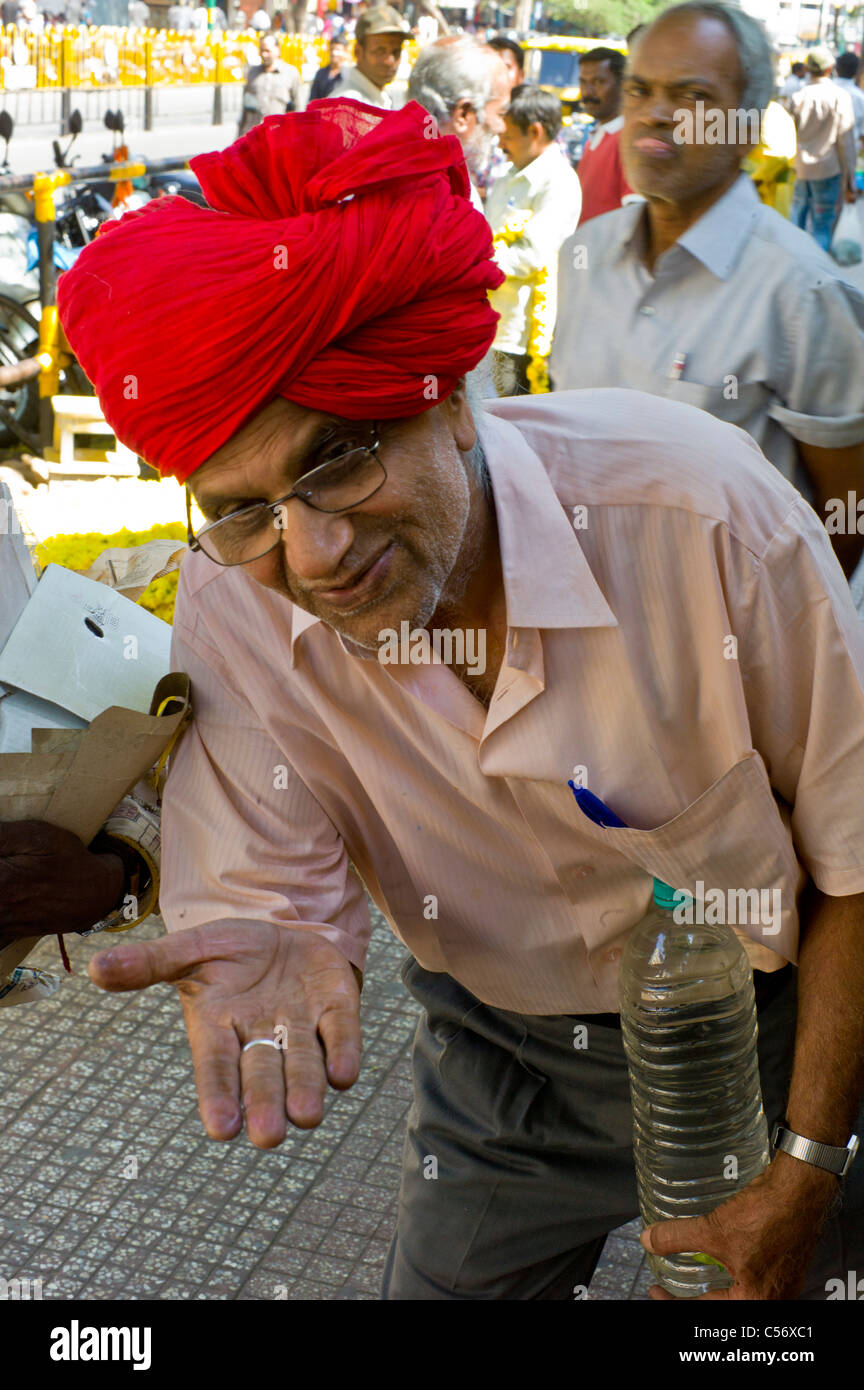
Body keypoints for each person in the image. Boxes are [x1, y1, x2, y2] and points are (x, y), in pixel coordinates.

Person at [57, 98, 864, 1305]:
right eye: (241, 505)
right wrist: (281, 929)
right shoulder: (237, 598)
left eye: (338, 457)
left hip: (755, 1035)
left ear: (452, 396)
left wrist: (808, 1165)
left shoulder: (701, 519)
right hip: (504, 1063)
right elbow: (264, 876)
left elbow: (856, 866)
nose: (314, 551)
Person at [552, 3, 864, 579]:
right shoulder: (582, 257)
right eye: (640, 91)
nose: (657, 115)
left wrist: (768, 647)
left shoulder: (806, 292)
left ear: (748, 128)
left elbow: (845, 515)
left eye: (693, 97)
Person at [486, 85, 581, 396]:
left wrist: (474, 263)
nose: (500, 143)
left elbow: (532, 256)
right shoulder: (509, 177)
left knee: (506, 423)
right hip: (489, 325)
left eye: (508, 135)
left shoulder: (559, 182)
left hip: (518, 334)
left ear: (535, 132)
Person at [407, 37, 510, 206]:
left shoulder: (373, 165)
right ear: (463, 114)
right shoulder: (452, 202)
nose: (502, 127)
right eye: (501, 113)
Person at [788, 46, 856, 251]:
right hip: (828, 171)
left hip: (800, 169)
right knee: (822, 227)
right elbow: (846, 142)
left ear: (807, 68)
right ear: (830, 68)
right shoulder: (840, 97)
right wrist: (849, 180)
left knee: (796, 222)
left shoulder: (797, 97)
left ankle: (793, 268)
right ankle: (816, 276)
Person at [574, 45, 636, 223]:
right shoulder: (595, 137)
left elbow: (633, 217)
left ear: (623, 86)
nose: (588, 91)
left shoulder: (628, 141)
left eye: (599, 82)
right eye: (583, 82)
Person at [327, 4, 407, 108]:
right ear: (358, 52)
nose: (390, 61)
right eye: (380, 51)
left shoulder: (382, 97)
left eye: (396, 51)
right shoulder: (347, 106)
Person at [238, 32, 300, 137]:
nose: (264, 54)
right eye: (262, 50)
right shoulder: (253, 73)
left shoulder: (290, 73)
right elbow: (245, 107)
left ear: (277, 50)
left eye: (268, 51)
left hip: (279, 135)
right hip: (254, 135)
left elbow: (298, 107)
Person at [834, 50, 864, 149]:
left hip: (819, 157)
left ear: (836, 68)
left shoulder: (822, 90)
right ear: (856, 71)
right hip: (850, 152)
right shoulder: (859, 97)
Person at [310, 34, 348, 100]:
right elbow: (313, 99)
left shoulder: (348, 76)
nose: (334, 53)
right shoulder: (321, 73)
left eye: (338, 50)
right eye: (332, 49)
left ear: (345, 52)